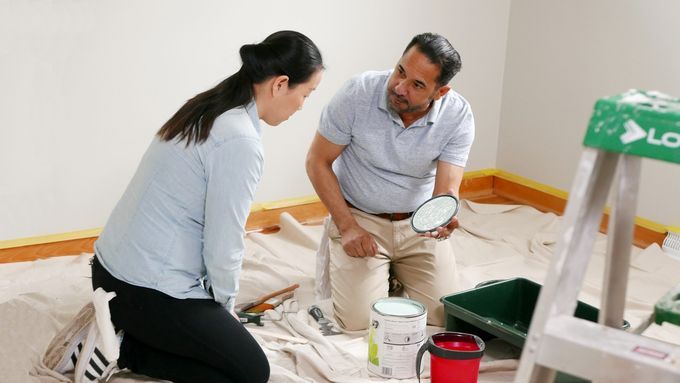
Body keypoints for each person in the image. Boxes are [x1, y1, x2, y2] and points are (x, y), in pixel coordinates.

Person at [42, 30, 324, 383]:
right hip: (142, 292)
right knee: (251, 371)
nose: (302, 106)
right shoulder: (239, 139)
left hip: (108, 273)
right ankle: (123, 348)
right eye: (306, 94)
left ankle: (125, 332)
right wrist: (225, 307)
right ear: (281, 84)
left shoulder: (210, 105)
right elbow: (224, 242)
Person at [306, 32, 473, 331]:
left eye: (417, 85)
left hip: (417, 224)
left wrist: (443, 218)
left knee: (445, 319)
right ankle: (371, 266)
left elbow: (447, 189)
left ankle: (391, 272)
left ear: (440, 92)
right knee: (360, 323)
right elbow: (317, 162)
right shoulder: (358, 93)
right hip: (361, 218)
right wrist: (346, 226)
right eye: (401, 71)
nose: (399, 86)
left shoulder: (458, 115)